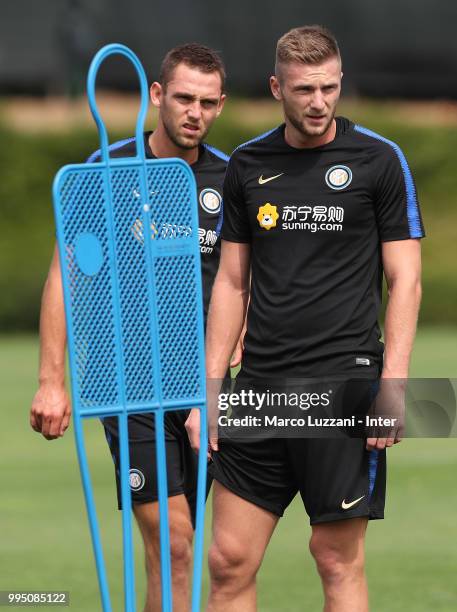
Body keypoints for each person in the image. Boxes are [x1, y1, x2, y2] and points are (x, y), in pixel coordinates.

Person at [186, 25, 424, 611]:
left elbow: (406, 281)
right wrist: (209, 389)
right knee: (227, 561)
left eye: (329, 88)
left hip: (344, 384)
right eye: (303, 90)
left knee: (335, 557)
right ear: (276, 88)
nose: (318, 102)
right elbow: (232, 284)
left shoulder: (379, 160)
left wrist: (393, 387)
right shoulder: (248, 163)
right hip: (260, 386)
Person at [30, 43, 232, 612]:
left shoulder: (232, 179)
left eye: (209, 103)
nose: (196, 112)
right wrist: (52, 380)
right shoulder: (106, 169)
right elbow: (64, 277)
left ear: (221, 107)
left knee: (187, 544)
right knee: (172, 541)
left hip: (204, 391)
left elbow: (244, 290)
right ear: (158, 96)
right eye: (186, 98)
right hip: (128, 384)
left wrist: (219, 380)